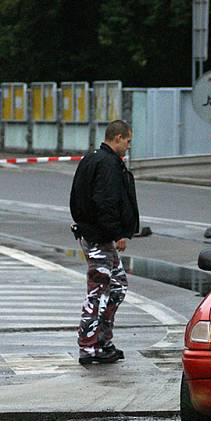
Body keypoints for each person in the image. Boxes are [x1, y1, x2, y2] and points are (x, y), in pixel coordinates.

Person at [69, 120, 140, 365]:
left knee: (117, 287)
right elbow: (106, 202)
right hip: (99, 237)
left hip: (95, 235)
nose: (128, 147)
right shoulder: (108, 164)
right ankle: (90, 346)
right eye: (128, 141)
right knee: (99, 290)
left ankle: (101, 340)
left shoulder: (92, 158)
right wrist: (117, 233)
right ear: (118, 137)